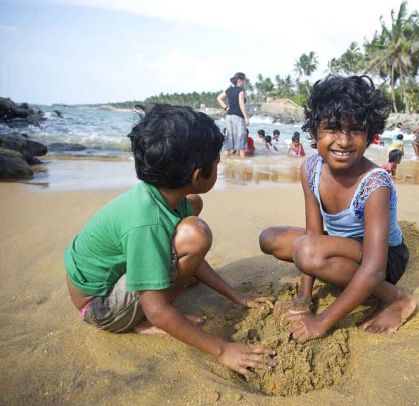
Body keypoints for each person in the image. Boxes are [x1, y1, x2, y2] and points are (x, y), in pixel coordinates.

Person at [64, 105, 274, 375]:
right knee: (195, 233)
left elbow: (195, 260)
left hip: (110, 283)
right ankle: (136, 322)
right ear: (198, 175)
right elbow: (159, 309)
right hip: (100, 308)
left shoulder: (164, 195)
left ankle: (145, 306)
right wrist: (224, 350)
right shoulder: (145, 221)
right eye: (216, 163)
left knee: (193, 209)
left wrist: (236, 295)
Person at [259, 75, 416, 343]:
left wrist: (322, 322)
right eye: (332, 128)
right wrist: (304, 297)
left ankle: (396, 298)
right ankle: (330, 268)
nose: (343, 141)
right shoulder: (310, 169)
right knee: (271, 239)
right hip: (340, 245)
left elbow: (375, 267)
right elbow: (313, 232)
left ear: (369, 134)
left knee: (307, 252)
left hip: (383, 258)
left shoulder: (375, 184)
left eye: (355, 130)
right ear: (314, 131)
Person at [217, 72, 250, 158]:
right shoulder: (241, 90)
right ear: (239, 80)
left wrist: (226, 108)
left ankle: (227, 163)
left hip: (229, 116)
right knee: (241, 139)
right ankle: (244, 164)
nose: (244, 82)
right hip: (238, 116)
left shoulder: (229, 89)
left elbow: (219, 98)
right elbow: (241, 104)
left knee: (229, 139)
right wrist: (246, 118)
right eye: (244, 80)